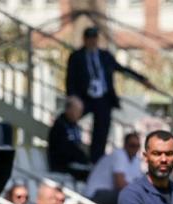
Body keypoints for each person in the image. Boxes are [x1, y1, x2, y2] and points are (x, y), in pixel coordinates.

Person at [65, 27, 153, 163]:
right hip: (85, 97)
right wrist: (72, 96)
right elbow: (70, 78)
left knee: (101, 131)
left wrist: (142, 79)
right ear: (85, 40)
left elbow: (122, 69)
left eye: (94, 38)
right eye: (89, 39)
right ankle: (70, 145)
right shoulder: (77, 56)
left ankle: (96, 160)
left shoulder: (105, 56)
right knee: (70, 117)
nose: (92, 42)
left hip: (103, 98)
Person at [84, 131, 143, 204]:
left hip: (110, 194)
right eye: (132, 145)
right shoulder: (119, 155)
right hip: (95, 194)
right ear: (125, 145)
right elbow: (120, 184)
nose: (135, 148)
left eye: (137, 146)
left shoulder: (136, 161)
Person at [47, 96, 92, 181]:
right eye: (77, 111)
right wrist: (80, 158)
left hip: (74, 163)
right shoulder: (60, 126)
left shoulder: (75, 126)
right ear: (69, 109)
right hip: (62, 165)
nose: (79, 115)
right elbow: (64, 149)